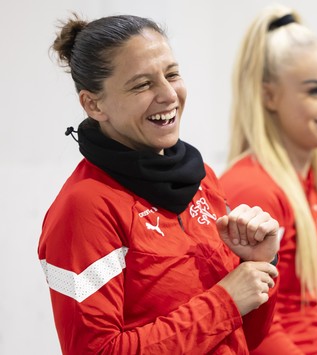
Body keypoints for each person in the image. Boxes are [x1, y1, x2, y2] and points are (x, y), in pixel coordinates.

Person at [38, 14, 281, 354]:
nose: (168, 95)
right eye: (141, 84)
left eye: (171, 74)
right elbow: (96, 351)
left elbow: (244, 338)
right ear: (93, 104)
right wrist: (225, 301)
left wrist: (257, 264)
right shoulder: (86, 207)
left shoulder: (202, 178)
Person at [219, 4, 317, 355]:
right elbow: (262, 330)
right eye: (316, 91)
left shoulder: (315, 192)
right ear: (269, 95)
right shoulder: (253, 189)